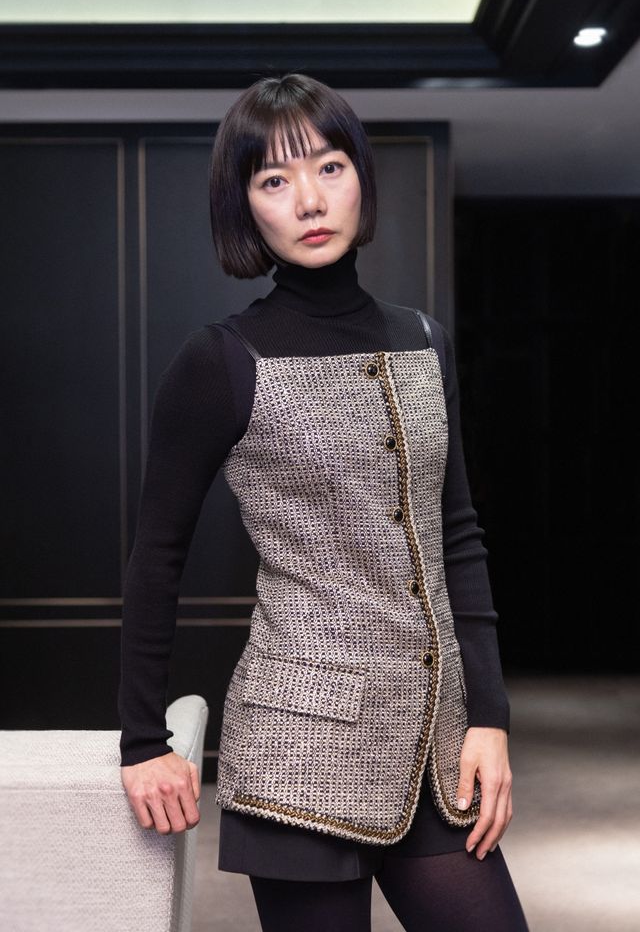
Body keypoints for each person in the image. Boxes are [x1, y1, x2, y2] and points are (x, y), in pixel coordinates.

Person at [118, 73, 530, 931]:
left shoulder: (424, 340)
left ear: (360, 179)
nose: (308, 199)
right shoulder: (222, 360)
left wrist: (489, 719)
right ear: (245, 208)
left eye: (329, 167)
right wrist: (142, 741)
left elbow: (456, 538)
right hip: (297, 745)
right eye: (274, 179)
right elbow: (157, 557)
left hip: (433, 745)